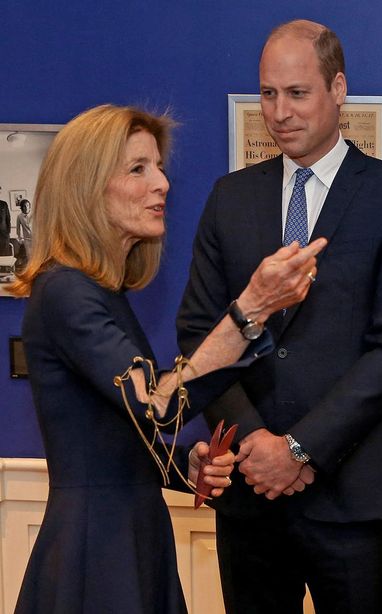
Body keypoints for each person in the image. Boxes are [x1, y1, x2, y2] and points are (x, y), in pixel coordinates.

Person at [9, 104, 325, 614]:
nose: (162, 184)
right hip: (99, 550)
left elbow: (121, 436)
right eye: (138, 169)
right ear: (86, 188)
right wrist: (250, 310)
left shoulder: (97, 292)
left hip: (128, 534)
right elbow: (158, 408)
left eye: (158, 167)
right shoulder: (66, 291)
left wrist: (184, 465)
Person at [176, 19, 382, 614]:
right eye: (269, 94)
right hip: (248, 490)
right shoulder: (229, 197)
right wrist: (257, 442)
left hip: (351, 491)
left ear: (338, 89)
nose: (280, 112)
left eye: (297, 93)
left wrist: (299, 449)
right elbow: (198, 332)